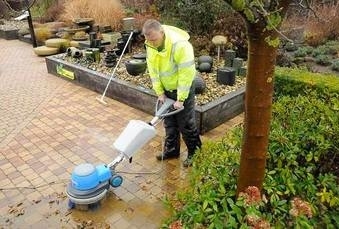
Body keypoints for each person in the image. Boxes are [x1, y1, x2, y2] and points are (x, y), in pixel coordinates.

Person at [142, 19, 202, 167]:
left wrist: (181, 99)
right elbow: (153, 71)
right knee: (169, 122)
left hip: (183, 89)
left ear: (162, 32)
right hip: (166, 89)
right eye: (149, 40)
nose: (153, 43)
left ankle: (196, 153)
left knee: (186, 124)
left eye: (155, 39)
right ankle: (172, 150)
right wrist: (160, 92)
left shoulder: (180, 45)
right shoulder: (150, 44)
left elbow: (186, 73)